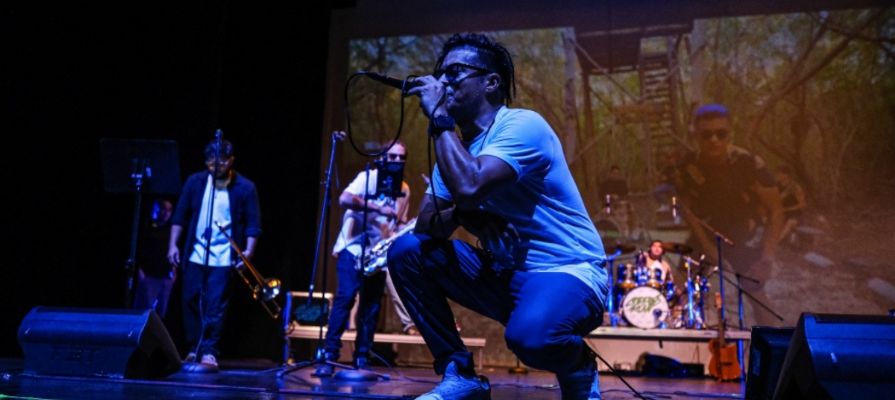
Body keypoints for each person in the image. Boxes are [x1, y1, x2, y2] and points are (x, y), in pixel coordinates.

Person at [390, 33, 608, 400]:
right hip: (508, 277)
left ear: (491, 82)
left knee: (531, 339)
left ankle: (579, 365)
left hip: (568, 273)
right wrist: (466, 215)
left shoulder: (523, 125)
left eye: (454, 72)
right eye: (440, 73)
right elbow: (427, 227)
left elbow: (471, 185)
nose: (442, 82)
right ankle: (459, 373)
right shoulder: (454, 150)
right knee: (407, 251)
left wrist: (440, 120)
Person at [674, 103, 784, 327]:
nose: (714, 140)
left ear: (729, 134)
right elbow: (687, 208)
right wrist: (707, 246)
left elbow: (776, 210)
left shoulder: (748, 163)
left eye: (721, 134)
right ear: (696, 137)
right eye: (706, 135)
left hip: (743, 232)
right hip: (707, 230)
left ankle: (775, 342)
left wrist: (767, 256)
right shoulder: (687, 166)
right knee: (678, 288)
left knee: (755, 293)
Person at [313, 138, 414, 377]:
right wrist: (378, 208)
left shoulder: (404, 189)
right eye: (392, 156)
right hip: (353, 247)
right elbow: (345, 199)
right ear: (382, 158)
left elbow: (397, 223)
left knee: (371, 307)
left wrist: (408, 229)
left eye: (401, 158)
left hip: (376, 255)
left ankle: (362, 356)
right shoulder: (367, 178)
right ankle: (330, 355)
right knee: (346, 297)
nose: (397, 161)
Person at [167, 138, 262, 370]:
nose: (215, 168)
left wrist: (248, 251)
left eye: (220, 163)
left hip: (223, 256)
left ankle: (209, 350)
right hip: (196, 253)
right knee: (190, 299)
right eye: (211, 164)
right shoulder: (195, 182)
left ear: (231, 161)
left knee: (215, 304)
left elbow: (253, 223)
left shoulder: (245, 187)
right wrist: (173, 245)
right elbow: (180, 215)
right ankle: (193, 347)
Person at [134, 198, 176, 317]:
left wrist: (174, 271)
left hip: (166, 278)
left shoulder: (171, 230)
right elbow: (140, 250)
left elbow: (173, 251)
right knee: (145, 311)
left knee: (161, 313)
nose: (166, 213)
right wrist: (140, 271)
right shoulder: (146, 228)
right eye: (163, 209)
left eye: (169, 210)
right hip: (149, 276)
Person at [775, 166, 806, 243]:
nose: (777, 175)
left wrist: (788, 209)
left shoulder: (795, 187)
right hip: (782, 212)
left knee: (790, 223)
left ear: (786, 175)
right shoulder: (776, 186)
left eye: (779, 173)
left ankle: (777, 241)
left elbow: (802, 205)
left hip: (795, 214)